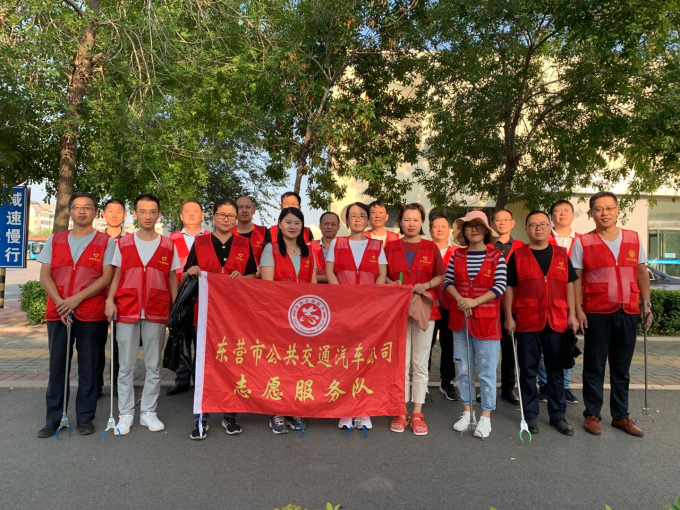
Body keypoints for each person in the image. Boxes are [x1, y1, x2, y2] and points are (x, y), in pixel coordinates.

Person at [571, 191, 653, 437]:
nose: (604, 213)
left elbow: (641, 272)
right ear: (591, 213)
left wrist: (646, 304)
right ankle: (592, 414)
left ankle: (620, 416)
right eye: (598, 209)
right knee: (594, 366)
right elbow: (575, 279)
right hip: (596, 312)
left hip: (628, 310)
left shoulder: (633, 238)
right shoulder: (583, 242)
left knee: (621, 367)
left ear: (618, 209)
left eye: (608, 208)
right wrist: (578, 310)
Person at [37, 192, 116, 438]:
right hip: (58, 313)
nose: (82, 211)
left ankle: (85, 417)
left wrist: (76, 299)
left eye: (87, 207)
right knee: (57, 367)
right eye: (77, 207)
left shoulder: (106, 242)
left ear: (95, 212)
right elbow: (45, 275)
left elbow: (107, 277)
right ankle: (53, 419)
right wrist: (61, 302)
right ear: (70, 211)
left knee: (89, 367)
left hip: (91, 314)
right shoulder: (55, 239)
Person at [105, 194, 181, 435]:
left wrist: (175, 307)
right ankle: (126, 413)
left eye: (152, 211)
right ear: (135, 214)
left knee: (153, 365)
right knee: (125, 366)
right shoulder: (123, 244)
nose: (148, 216)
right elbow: (116, 274)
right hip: (126, 307)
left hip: (157, 308)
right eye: (143, 211)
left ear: (159, 214)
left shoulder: (168, 245)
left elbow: (172, 277)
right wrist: (109, 300)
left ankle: (148, 412)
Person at [184, 199, 257, 440]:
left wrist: (242, 277)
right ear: (213, 216)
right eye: (222, 215)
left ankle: (230, 414)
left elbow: (253, 274)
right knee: (203, 364)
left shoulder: (244, 244)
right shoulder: (200, 242)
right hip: (205, 313)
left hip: (234, 314)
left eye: (231, 215)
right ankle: (201, 416)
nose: (226, 219)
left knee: (233, 363)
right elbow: (185, 273)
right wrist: (192, 271)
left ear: (236, 219)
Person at [503, 210, 580, 436]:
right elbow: (509, 287)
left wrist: (572, 314)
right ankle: (530, 415)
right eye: (533, 225)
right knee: (528, 369)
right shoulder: (518, 255)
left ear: (549, 228)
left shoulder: (561, 254)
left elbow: (569, 284)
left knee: (556, 370)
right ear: (526, 229)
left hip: (557, 320)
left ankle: (558, 416)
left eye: (543, 224)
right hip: (527, 321)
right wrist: (508, 317)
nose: (538, 228)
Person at [385, 203, 446, 436]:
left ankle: (417, 412)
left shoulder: (430, 247)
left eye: (416, 219)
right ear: (400, 222)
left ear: (422, 222)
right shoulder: (390, 247)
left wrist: (427, 285)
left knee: (420, 363)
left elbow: (440, 275)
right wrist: (393, 285)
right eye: (406, 219)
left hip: (424, 310)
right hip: (398, 310)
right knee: (400, 363)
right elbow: (382, 276)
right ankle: (400, 410)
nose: (411, 224)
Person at [326, 202, 387, 430]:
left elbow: (382, 275)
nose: (358, 219)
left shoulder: (377, 245)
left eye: (362, 215)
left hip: (369, 311)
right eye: (353, 216)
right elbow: (330, 272)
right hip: (343, 309)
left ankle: (364, 409)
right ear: (347, 221)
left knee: (366, 359)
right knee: (345, 359)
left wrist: (371, 300)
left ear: (368, 220)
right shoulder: (338, 243)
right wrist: (344, 297)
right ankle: (345, 409)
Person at [445, 210, 507, 439]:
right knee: (462, 369)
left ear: (486, 231)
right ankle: (467, 412)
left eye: (478, 226)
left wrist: (474, 301)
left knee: (487, 370)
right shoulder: (457, 255)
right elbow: (448, 281)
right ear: (464, 231)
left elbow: (500, 286)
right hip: (460, 319)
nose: (473, 230)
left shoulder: (497, 256)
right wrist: (461, 300)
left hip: (487, 321)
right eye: (469, 226)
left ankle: (486, 416)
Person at [260, 207, 317, 434]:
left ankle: (293, 408)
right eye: (288, 222)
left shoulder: (308, 252)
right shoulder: (271, 249)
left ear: (302, 227)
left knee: (298, 364)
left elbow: (314, 288)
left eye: (297, 223)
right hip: (277, 317)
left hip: (303, 319)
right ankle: (275, 411)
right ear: (280, 224)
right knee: (277, 364)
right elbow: (267, 287)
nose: (292, 226)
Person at [536, 199, 582, 404]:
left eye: (566, 210)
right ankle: (545, 384)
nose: (562, 213)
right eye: (557, 211)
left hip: (572, 300)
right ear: (551, 217)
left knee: (566, 343)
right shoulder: (542, 238)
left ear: (572, 215)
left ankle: (564, 386)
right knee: (544, 346)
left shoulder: (581, 240)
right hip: (546, 299)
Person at [167, 200, 209, 396]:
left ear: (203, 216)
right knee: (182, 338)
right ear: (181, 216)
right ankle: (182, 379)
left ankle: (201, 380)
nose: (191, 214)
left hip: (204, 296)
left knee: (202, 340)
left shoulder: (210, 239)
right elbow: (168, 270)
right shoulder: (171, 239)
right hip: (180, 295)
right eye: (187, 211)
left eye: (196, 211)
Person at [490, 209, 523, 405]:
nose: (501, 223)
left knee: (510, 348)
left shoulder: (521, 248)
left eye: (506, 219)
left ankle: (508, 388)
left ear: (512, 223)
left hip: (513, 305)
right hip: (489, 304)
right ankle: (487, 387)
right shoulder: (486, 246)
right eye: (497, 220)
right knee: (489, 349)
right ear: (492, 224)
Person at [96, 198, 127, 397]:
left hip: (123, 298)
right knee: (96, 343)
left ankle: (117, 385)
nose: (114, 215)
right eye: (110, 211)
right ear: (103, 214)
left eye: (119, 211)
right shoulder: (95, 239)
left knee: (119, 345)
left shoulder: (131, 240)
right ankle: (96, 384)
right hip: (97, 297)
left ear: (125, 215)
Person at [428, 213, 459, 401]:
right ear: (430, 230)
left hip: (449, 305)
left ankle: (447, 382)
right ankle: (422, 383)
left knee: (449, 345)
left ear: (449, 230)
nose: (440, 229)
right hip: (428, 304)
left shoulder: (457, 251)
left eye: (443, 226)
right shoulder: (424, 248)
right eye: (436, 226)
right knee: (426, 345)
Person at [232, 196, 271, 267]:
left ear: (254, 210)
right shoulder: (229, 232)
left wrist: (257, 272)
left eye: (248, 207)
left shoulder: (263, 232)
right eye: (240, 207)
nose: (244, 210)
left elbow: (269, 258)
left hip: (259, 273)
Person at [309, 211, 340, 283]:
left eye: (333, 224)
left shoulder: (345, 247)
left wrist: (317, 277)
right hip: (315, 288)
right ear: (320, 226)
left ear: (338, 227)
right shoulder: (309, 247)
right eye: (326, 224)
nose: (329, 227)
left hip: (339, 288)